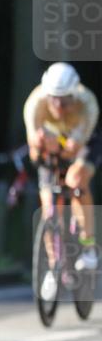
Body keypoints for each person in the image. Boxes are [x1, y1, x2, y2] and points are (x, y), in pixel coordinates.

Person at [23, 62, 100, 300]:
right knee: (49, 209)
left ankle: (88, 246)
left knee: (76, 180)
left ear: (74, 95)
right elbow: (35, 155)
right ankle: (53, 268)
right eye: (54, 99)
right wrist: (41, 144)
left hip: (81, 145)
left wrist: (57, 144)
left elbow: (73, 150)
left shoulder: (87, 104)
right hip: (51, 145)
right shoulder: (35, 104)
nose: (59, 106)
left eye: (65, 101)